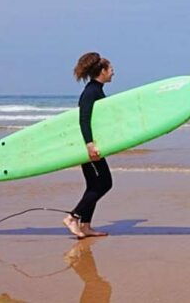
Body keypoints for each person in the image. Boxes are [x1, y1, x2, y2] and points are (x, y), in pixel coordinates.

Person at [63, 52, 114, 239]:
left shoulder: (96, 89)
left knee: (93, 185)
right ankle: (72, 217)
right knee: (105, 183)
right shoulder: (91, 92)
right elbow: (83, 119)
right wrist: (90, 145)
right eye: (110, 69)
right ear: (102, 71)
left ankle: (85, 226)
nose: (113, 72)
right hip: (88, 145)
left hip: (90, 143)